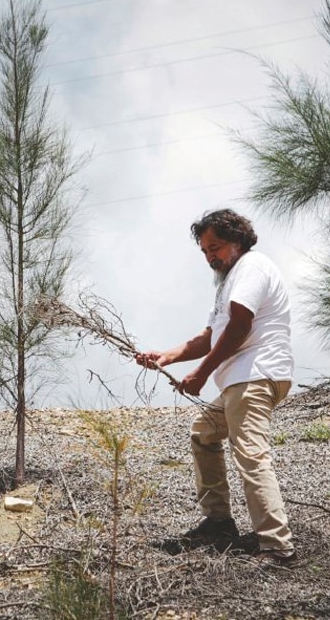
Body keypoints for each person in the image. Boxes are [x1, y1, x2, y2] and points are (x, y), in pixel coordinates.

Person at [136, 208, 296, 564]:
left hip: (255, 375)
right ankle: (219, 523)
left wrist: (202, 373)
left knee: (251, 455)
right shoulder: (230, 280)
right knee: (204, 433)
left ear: (238, 240)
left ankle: (277, 545)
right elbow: (211, 337)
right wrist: (167, 356)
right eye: (205, 251)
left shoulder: (251, 267)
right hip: (242, 379)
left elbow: (239, 326)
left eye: (216, 247)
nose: (211, 257)